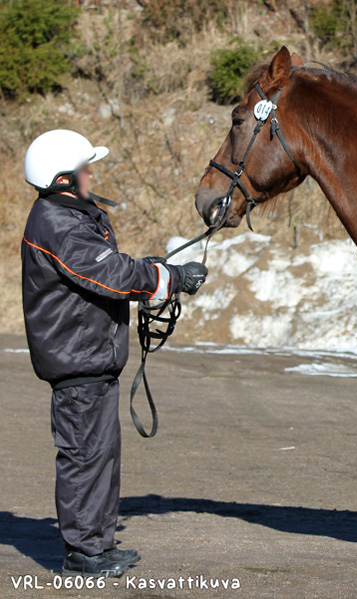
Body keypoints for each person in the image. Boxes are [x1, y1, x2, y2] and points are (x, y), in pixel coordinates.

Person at [20, 129, 208, 578]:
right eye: (84, 169)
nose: (90, 175)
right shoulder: (58, 223)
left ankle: (97, 546)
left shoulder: (69, 217)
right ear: (63, 178)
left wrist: (154, 273)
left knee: (101, 455)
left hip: (92, 358)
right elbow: (108, 273)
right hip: (77, 360)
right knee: (85, 456)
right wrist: (169, 278)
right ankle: (83, 552)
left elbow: (108, 268)